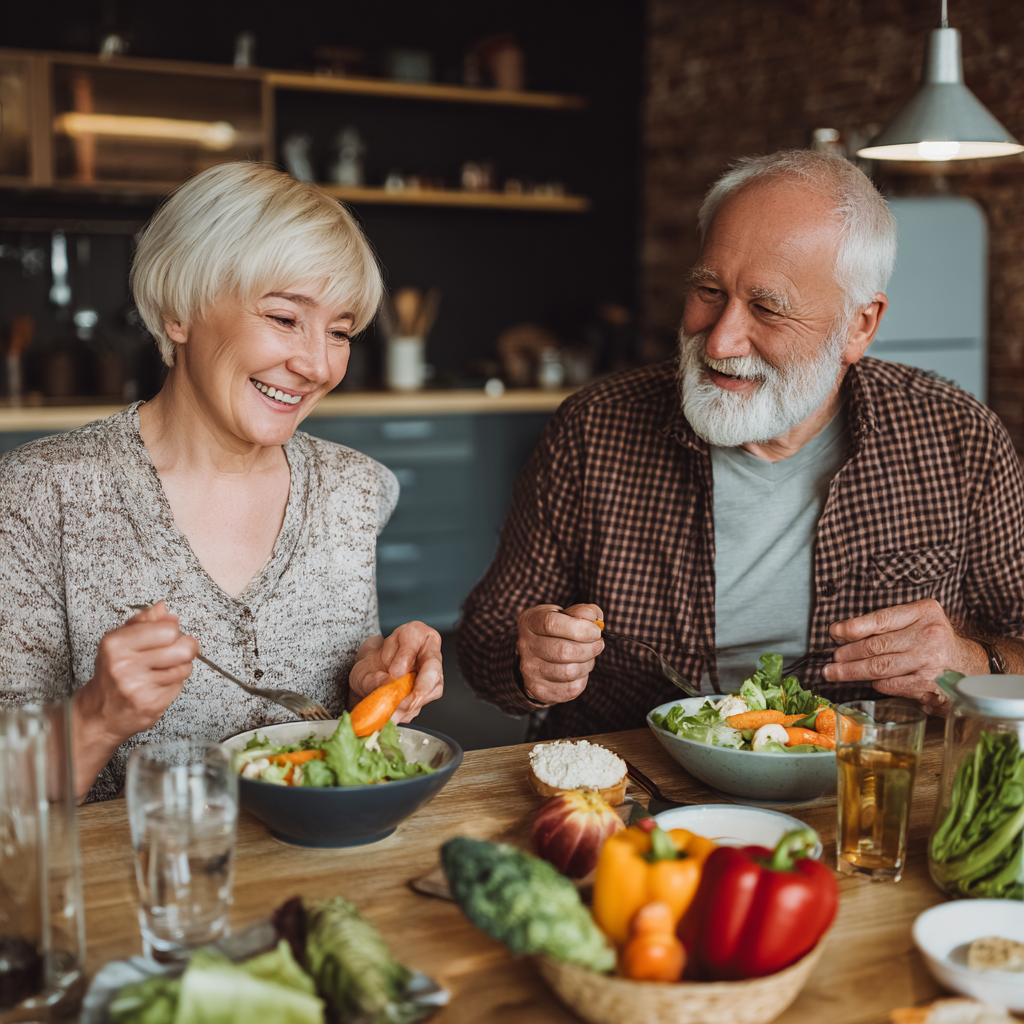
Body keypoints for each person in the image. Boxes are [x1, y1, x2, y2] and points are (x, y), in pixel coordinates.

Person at [456, 149, 1024, 739]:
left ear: (860, 326)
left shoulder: (960, 439)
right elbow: (484, 637)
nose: (720, 342)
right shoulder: (593, 428)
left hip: (863, 777)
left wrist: (970, 662)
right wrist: (529, 663)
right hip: (633, 774)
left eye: (768, 308)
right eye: (708, 290)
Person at [0, 163, 443, 802]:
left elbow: (331, 760)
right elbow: (10, 800)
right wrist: (95, 718)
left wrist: (363, 694)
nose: (318, 365)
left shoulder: (354, 488)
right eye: (285, 318)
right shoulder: (37, 494)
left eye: (340, 332)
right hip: (144, 866)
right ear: (179, 312)